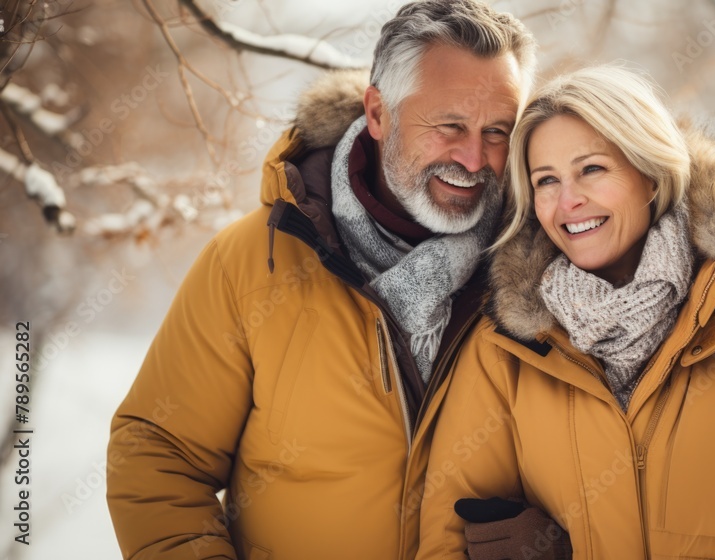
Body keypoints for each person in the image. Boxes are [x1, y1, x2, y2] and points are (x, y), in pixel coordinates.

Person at [106, 1, 538, 558]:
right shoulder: (252, 261)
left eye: (497, 131)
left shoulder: (539, 278)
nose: (475, 158)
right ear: (379, 114)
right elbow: (157, 454)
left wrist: (562, 539)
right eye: (449, 126)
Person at [415, 65, 715, 559]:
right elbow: (449, 533)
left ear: (651, 175)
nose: (568, 200)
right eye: (546, 180)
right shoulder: (505, 347)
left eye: (591, 169)